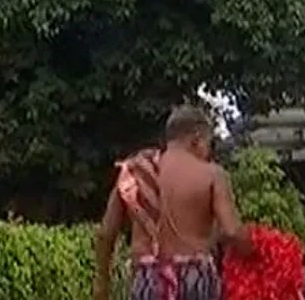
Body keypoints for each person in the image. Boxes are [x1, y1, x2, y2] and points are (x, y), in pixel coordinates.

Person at [93, 105, 253, 300]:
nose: (208, 153)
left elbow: (106, 233)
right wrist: (255, 251)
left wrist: (102, 283)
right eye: (208, 144)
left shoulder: (138, 171)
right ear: (196, 138)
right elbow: (232, 232)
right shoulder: (212, 174)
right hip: (195, 281)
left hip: (149, 281)